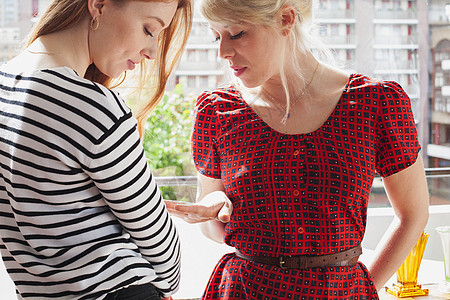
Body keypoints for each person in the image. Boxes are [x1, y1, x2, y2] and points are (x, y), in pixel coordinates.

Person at [165, 0, 429, 299]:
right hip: (243, 290)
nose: (222, 52)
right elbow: (212, 223)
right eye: (216, 36)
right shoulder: (216, 111)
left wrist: (365, 287)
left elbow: (413, 214)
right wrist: (214, 205)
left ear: (286, 19)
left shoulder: (377, 104)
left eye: (236, 33)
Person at [0, 0, 192, 299]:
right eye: (148, 29)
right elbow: (155, 234)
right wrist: (166, 287)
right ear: (99, 5)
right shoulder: (93, 109)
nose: (152, 52)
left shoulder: (6, 87)